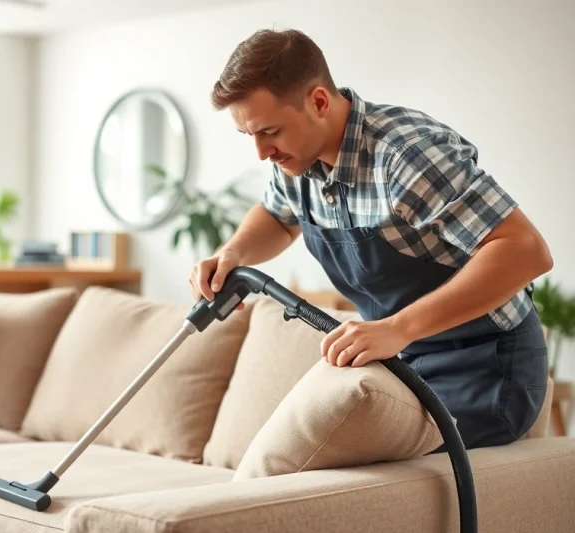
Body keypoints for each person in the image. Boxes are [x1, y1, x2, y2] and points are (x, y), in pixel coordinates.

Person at [190, 28, 553, 450]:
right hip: (404, 360)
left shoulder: (405, 155)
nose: (260, 152)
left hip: (486, 367)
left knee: (329, 451)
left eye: (269, 131)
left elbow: (526, 251)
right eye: (249, 135)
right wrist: (232, 252)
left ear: (319, 102)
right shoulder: (295, 157)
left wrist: (398, 329)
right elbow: (277, 216)